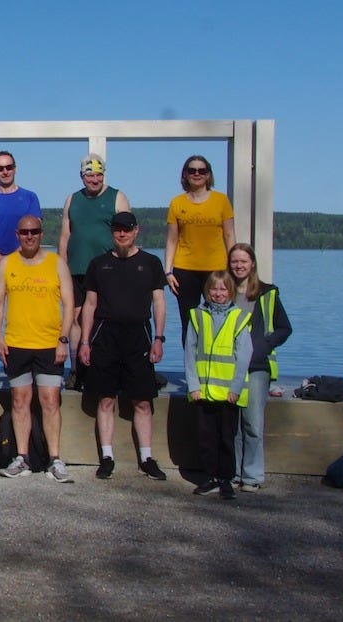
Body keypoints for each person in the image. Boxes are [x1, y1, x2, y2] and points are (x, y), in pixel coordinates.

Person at [77, 211, 168, 481]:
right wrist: (84, 341)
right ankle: (107, 456)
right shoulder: (99, 264)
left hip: (138, 336)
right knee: (105, 399)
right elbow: (90, 305)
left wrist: (159, 339)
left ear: (136, 231)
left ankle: (147, 458)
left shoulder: (151, 263)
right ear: (112, 232)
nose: (122, 234)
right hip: (105, 336)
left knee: (142, 401)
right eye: (117, 229)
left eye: (127, 229)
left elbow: (159, 303)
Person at [0, 215, 75, 482]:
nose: (30, 236)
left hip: (50, 345)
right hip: (17, 343)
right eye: (25, 232)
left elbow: (70, 304)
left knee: (50, 401)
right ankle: (22, 458)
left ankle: (55, 459)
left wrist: (63, 340)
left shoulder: (56, 263)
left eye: (35, 232)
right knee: (19, 401)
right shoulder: (7, 264)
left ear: (41, 233)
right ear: (17, 234)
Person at [58, 153, 130, 390]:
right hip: (77, 269)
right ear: (82, 176)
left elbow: (126, 234)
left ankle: (109, 368)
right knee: (76, 318)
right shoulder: (72, 199)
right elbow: (65, 235)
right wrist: (61, 267)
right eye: (90, 175)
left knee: (105, 318)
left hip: (108, 270)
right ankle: (77, 370)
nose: (95, 179)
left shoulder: (117, 197)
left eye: (99, 174)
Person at [227, 242, 293, 492]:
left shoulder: (268, 293)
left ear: (252, 263)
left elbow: (285, 328)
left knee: (252, 424)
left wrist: (264, 345)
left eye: (243, 261)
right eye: (234, 261)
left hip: (256, 367)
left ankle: (252, 476)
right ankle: (232, 472)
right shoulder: (223, 290)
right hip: (230, 367)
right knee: (232, 425)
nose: (239, 265)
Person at [184, 270, 252, 500]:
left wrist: (235, 388)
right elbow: (190, 353)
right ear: (207, 291)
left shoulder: (239, 317)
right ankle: (210, 476)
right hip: (203, 390)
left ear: (231, 292)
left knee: (226, 437)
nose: (218, 293)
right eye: (214, 289)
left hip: (228, 394)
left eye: (223, 289)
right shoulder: (197, 316)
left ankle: (226, 478)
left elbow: (244, 356)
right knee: (206, 437)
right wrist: (193, 385)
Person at [164, 155, 235, 347]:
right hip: (184, 269)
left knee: (218, 319)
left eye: (201, 171)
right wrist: (168, 271)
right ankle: (192, 371)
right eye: (192, 170)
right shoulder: (177, 203)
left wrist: (232, 268)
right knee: (189, 321)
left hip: (217, 269)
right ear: (185, 175)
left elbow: (229, 235)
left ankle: (216, 369)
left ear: (208, 175)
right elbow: (172, 239)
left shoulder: (221, 201)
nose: (197, 174)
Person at [0, 150, 41, 274]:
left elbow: (35, 233)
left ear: (15, 169)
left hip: (25, 263)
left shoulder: (30, 197)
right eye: (0, 169)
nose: (5, 172)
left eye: (9, 167)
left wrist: (11, 259)